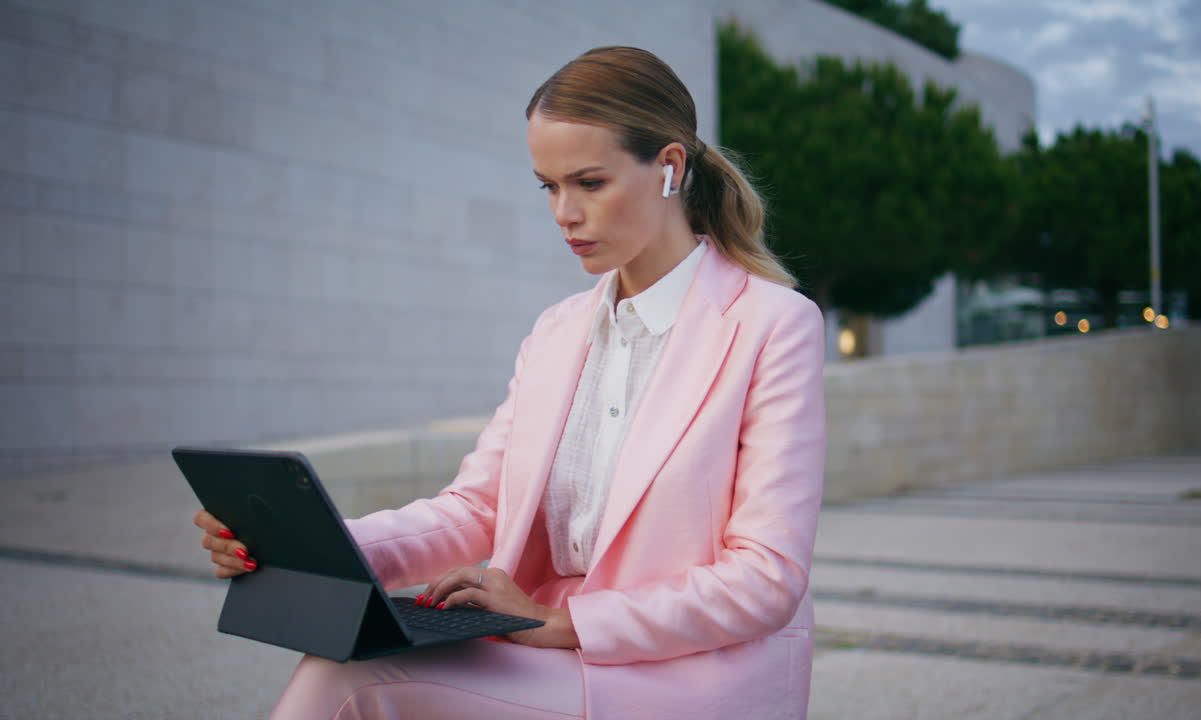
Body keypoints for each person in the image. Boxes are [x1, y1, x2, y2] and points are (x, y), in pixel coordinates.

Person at [194, 46, 825, 719]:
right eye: (548, 186)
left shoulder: (772, 326)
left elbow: (766, 578)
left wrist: (567, 623)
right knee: (341, 662)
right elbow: (477, 510)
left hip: (685, 677)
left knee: (349, 683)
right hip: (539, 650)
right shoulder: (557, 332)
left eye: (588, 183)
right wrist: (313, 547)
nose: (563, 212)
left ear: (670, 168)